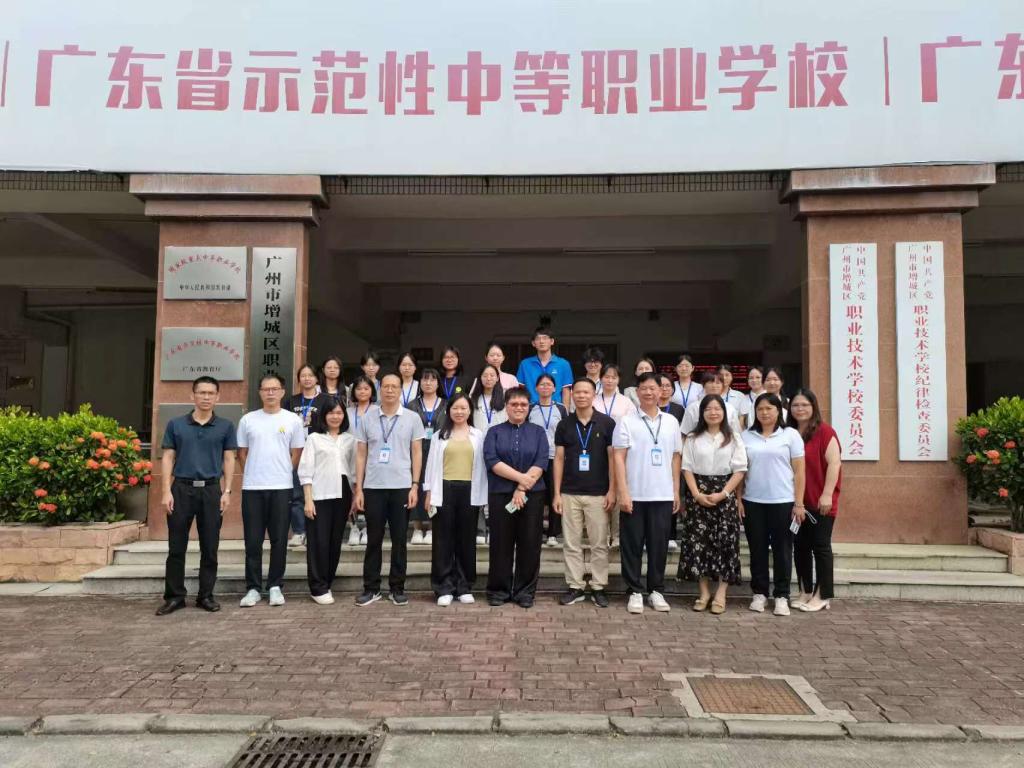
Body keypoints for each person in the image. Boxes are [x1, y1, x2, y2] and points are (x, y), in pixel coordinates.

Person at [156, 376, 237, 616]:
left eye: (211, 393)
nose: (206, 397)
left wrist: (227, 491)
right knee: (176, 547)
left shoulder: (225, 426)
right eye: (202, 392)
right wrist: (166, 491)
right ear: (192, 395)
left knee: (210, 547)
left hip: (211, 490)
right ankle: (175, 597)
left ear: (218, 397)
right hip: (181, 489)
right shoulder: (176, 425)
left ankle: (206, 596)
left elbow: (229, 459)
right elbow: (168, 457)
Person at [352, 373, 425, 607]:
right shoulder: (367, 418)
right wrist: (359, 489)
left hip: (402, 486)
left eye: (395, 386)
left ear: (401, 390)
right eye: (386, 386)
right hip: (373, 486)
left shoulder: (412, 418)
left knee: (399, 539)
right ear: (380, 389)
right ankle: (371, 588)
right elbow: (361, 454)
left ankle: (397, 588)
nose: (390, 390)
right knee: (373, 538)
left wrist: (415, 485)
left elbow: (417, 452)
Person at [613, 372, 682, 614]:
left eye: (654, 388)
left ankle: (656, 590)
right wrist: (623, 492)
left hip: (662, 494)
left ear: (661, 391)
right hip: (635, 494)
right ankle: (634, 590)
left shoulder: (671, 422)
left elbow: (675, 458)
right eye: (644, 388)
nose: (649, 392)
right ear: (637, 392)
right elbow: (618, 458)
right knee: (631, 545)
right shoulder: (626, 421)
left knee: (658, 545)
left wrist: (675, 490)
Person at [236, 374, 306, 608]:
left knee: (279, 539)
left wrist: (284, 470)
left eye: (274, 389)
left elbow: (297, 452)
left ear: (283, 392)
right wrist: (252, 472)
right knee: (253, 541)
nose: (270, 393)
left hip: (281, 487)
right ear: (260, 392)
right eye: (266, 389)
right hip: (253, 488)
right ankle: (253, 588)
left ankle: (275, 585)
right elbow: (242, 453)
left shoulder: (293, 420)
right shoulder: (248, 420)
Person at [678, 395, 748, 615]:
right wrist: (696, 495)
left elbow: (740, 469)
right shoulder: (692, 438)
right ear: (702, 413)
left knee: (725, 542)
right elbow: (686, 467)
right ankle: (704, 592)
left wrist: (724, 494)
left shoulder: (733, 437)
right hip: (698, 493)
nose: (713, 412)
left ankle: (721, 593)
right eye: (708, 409)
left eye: (717, 408)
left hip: (724, 493)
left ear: (724, 412)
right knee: (699, 543)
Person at [483, 385, 549, 608]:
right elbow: (492, 461)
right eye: (514, 404)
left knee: (530, 543)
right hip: (501, 494)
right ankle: (498, 590)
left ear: (529, 407)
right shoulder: (494, 432)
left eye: (523, 404)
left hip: (532, 495)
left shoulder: (538, 432)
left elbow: (541, 461)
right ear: (506, 406)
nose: (519, 408)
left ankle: (525, 592)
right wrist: (521, 479)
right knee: (500, 543)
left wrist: (521, 488)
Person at [553, 378, 616, 608]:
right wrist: (557, 493)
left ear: (593, 395)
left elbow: (613, 459)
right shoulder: (564, 424)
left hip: (599, 493)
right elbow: (559, 459)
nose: (581, 396)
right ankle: (575, 586)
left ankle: (598, 586)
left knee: (599, 544)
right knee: (571, 543)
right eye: (577, 392)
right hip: (569, 492)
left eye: (586, 392)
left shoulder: (607, 423)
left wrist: (612, 490)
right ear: (572, 395)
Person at [741, 393, 806, 617]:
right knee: (757, 549)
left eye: (769, 408)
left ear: (779, 411)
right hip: (753, 501)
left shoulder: (791, 435)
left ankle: (781, 595)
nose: (764, 412)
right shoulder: (746, 436)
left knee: (783, 550)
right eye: (760, 409)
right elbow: (740, 471)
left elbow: (800, 471)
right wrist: (739, 499)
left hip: (783, 501)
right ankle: (759, 593)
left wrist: (799, 503)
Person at [423, 393, 488, 606]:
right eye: (455, 408)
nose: (459, 412)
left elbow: (483, 466)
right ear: (448, 411)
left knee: (466, 540)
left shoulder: (478, 435)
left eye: (463, 408)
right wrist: (428, 492)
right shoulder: (439, 436)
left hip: (470, 490)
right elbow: (430, 465)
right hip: (444, 489)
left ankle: (464, 586)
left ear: (470, 411)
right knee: (443, 540)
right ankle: (443, 587)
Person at [787, 388, 842, 613]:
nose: (800, 409)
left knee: (821, 547)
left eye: (804, 405)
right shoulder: (788, 432)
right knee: (800, 547)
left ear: (813, 407)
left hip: (820, 501)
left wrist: (827, 493)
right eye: (795, 405)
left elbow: (835, 463)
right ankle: (805, 591)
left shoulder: (825, 432)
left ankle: (823, 594)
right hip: (796, 501)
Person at [297, 397, 355, 605]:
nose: (335, 416)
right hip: (319, 494)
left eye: (339, 413)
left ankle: (327, 582)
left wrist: (354, 498)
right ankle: (317, 586)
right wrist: (308, 500)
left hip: (342, 494)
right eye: (331, 413)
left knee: (334, 542)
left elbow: (353, 471)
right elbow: (305, 470)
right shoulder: (314, 438)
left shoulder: (350, 440)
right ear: (323, 415)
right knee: (318, 542)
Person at [284, 364, 331, 548]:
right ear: (299, 379)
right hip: (296, 451)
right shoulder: (291, 401)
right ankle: (299, 531)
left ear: (317, 379)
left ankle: (317, 531)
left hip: (319, 451)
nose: (307, 378)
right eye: (303, 375)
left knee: (318, 493)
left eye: (310, 375)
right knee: (297, 493)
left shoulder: (326, 400)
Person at [593, 362, 632, 549]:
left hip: (619, 451)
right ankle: (603, 534)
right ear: (600, 378)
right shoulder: (593, 400)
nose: (609, 380)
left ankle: (616, 535)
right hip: (596, 451)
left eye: (613, 377)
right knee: (601, 492)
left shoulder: (626, 402)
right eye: (606, 377)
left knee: (616, 490)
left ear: (619, 380)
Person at [529, 373, 568, 547]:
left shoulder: (561, 409)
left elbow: (566, 432)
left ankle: (553, 533)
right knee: (535, 496)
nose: (545, 387)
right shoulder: (530, 408)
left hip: (554, 458)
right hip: (534, 459)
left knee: (554, 494)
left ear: (554, 389)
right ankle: (535, 532)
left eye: (549, 384)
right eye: (542, 384)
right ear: (536, 388)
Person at [408, 367, 446, 546]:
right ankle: (417, 527)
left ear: (438, 383)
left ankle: (431, 527)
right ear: (420, 383)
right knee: (417, 486)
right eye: (424, 379)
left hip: (439, 452)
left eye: (432, 379)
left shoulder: (446, 404)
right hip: (416, 451)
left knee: (435, 486)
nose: (428, 383)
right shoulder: (412, 405)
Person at [346, 375, 379, 546]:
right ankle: (353, 527)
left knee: (368, 492)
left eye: (366, 388)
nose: (362, 391)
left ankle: (367, 527)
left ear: (372, 391)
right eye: (359, 389)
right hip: (350, 454)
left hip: (371, 456)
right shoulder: (347, 411)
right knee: (351, 490)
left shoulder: (377, 411)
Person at [515, 326, 573, 408]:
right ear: (533, 343)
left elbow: (566, 391)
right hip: (531, 408)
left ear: (552, 341)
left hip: (556, 409)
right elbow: (521, 390)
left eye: (545, 338)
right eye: (538, 338)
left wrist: (565, 413)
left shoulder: (563, 364)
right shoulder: (525, 364)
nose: (541, 341)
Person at [471, 364, 508, 432]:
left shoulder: (505, 397)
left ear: (497, 378)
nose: (488, 379)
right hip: (478, 436)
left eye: (492, 375)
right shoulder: (473, 397)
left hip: (499, 436)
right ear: (480, 378)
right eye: (485, 376)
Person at [718, 364, 750, 429]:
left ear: (732, 377)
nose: (724, 378)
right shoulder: (711, 395)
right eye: (721, 375)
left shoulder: (740, 396)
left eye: (727, 375)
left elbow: (741, 420)